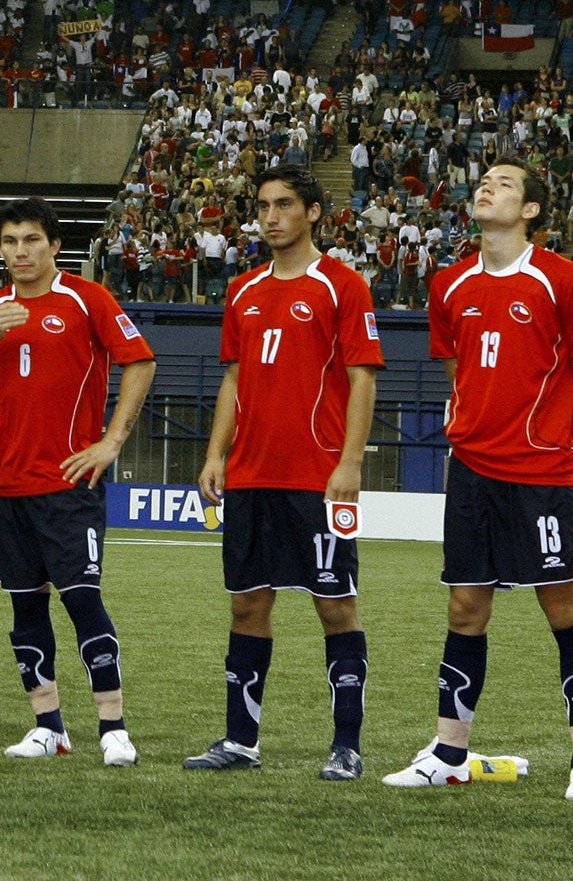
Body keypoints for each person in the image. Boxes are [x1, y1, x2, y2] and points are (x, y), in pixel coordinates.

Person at [384, 158, 573, 797]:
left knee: (564, 608)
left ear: (532, 209)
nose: (487, 187)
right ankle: (449, 752)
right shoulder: (448, 285)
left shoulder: (561, 280)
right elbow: (458, 369)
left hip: (540, 474)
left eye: (505, 183)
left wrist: (556, 444)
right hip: (472, 474)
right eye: (484, 180)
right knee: (464, 608)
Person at [182, 167, 382, 780]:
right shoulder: (242, 290)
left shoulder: (342, 286)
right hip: (249, 477)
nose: (271, 216)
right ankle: (240, 742)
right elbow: (234, 379)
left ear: (314, 213)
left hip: (316, 478)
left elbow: (362, 378)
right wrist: (216, 454)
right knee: (247, 608)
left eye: (285, 205)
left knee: (335, 608)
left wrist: (349, 461)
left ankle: (346, 746)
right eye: (264, 206)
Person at [0, 196, 156, 765]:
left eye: (31, 240)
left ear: (54, 246)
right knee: (25, 608)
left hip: (69, 484)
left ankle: (112, 726)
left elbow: (141, 362)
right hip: (9, 485)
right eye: (10, 242)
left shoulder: (86, 298)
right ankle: (49, 726)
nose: (21, 251)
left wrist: (112, 443)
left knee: (83, 600)